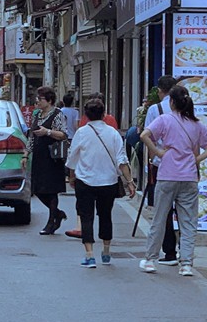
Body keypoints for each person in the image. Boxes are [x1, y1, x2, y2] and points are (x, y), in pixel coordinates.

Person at [139, 85, 207, 278]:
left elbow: (144, 135)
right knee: (188, 222)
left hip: (167, 175)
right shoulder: (197, 124)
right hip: (189, 177)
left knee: (159, 218)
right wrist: (197, 159)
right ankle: (186, 264)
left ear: (172, 102)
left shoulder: (165, 119)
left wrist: (158, 152)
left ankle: (150, 260)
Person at [64, 97, 135, 267]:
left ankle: (89, 255)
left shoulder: (81, 132)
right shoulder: (113, 133)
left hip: (85, 181)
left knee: (86, 217)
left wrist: (72, 176)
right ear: (103, 114)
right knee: (106, 215)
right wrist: (130, 181)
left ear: (86, 115)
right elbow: (122, 160)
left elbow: (72, 158)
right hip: (108, 182)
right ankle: (106, 251)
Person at [142, 75, 180, 265]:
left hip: (161, 164)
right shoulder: (186, 108)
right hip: (185, 166)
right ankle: (186, 252)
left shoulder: (154, 109)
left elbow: (147, 136)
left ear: (160, 90)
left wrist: (153, 157)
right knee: (184, 210)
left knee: (163, 209)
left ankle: (169, 251)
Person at [28, 86, 69, 235]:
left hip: (52, 157)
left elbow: (63, 134)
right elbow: (31, 136)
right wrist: (26, 154)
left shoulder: (58, 115)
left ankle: (52, 222)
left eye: (41, 98)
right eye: (37, 98)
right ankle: (58, 214)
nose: (37, 101)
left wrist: (47, 132)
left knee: (51, 191)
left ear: (50, 100)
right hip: (39, 156)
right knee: (37, 189)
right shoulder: (37, 114)